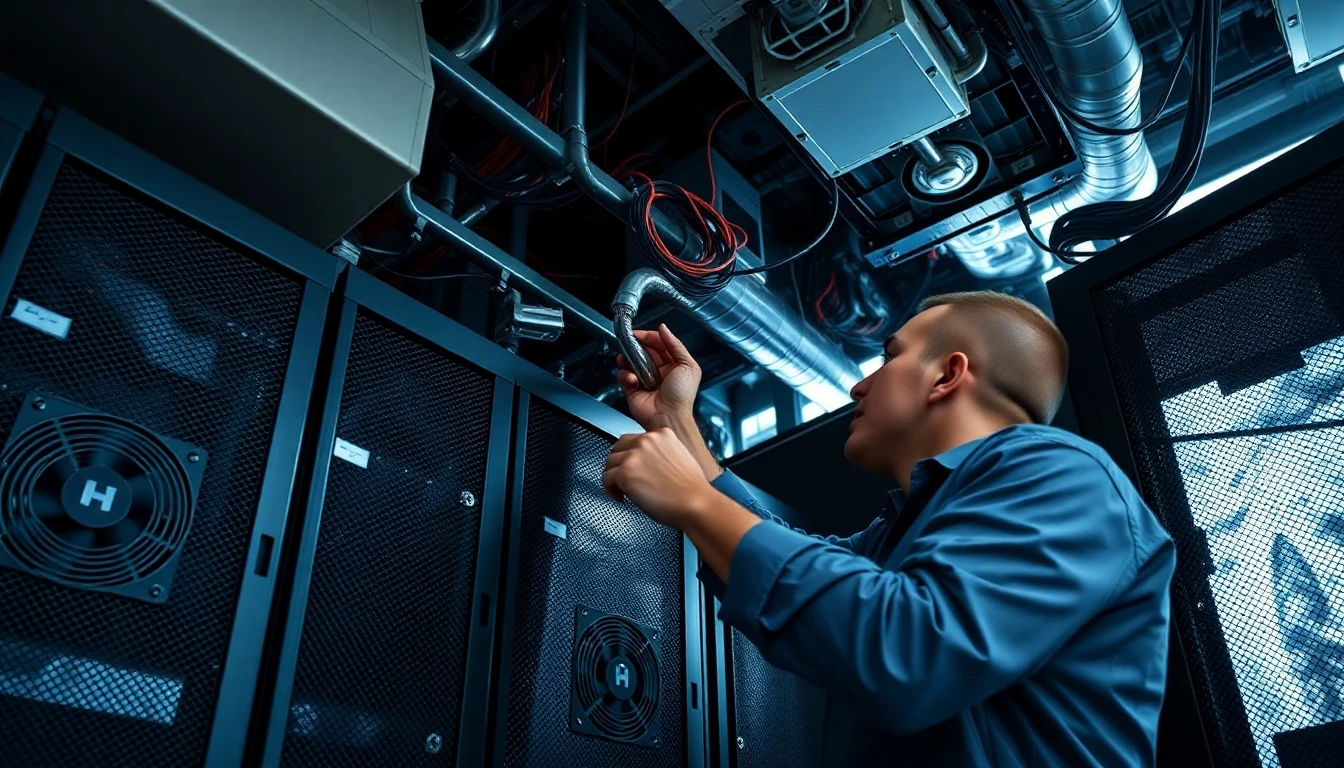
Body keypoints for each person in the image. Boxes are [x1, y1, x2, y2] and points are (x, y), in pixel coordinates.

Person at [602, 292, 1177, 766]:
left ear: (947, 375)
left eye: (889, 356)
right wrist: (677, 424)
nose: (859, 387)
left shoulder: (1061, 473)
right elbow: (804, 565)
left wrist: (695, 501)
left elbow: (911, 653)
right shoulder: (906, 531)